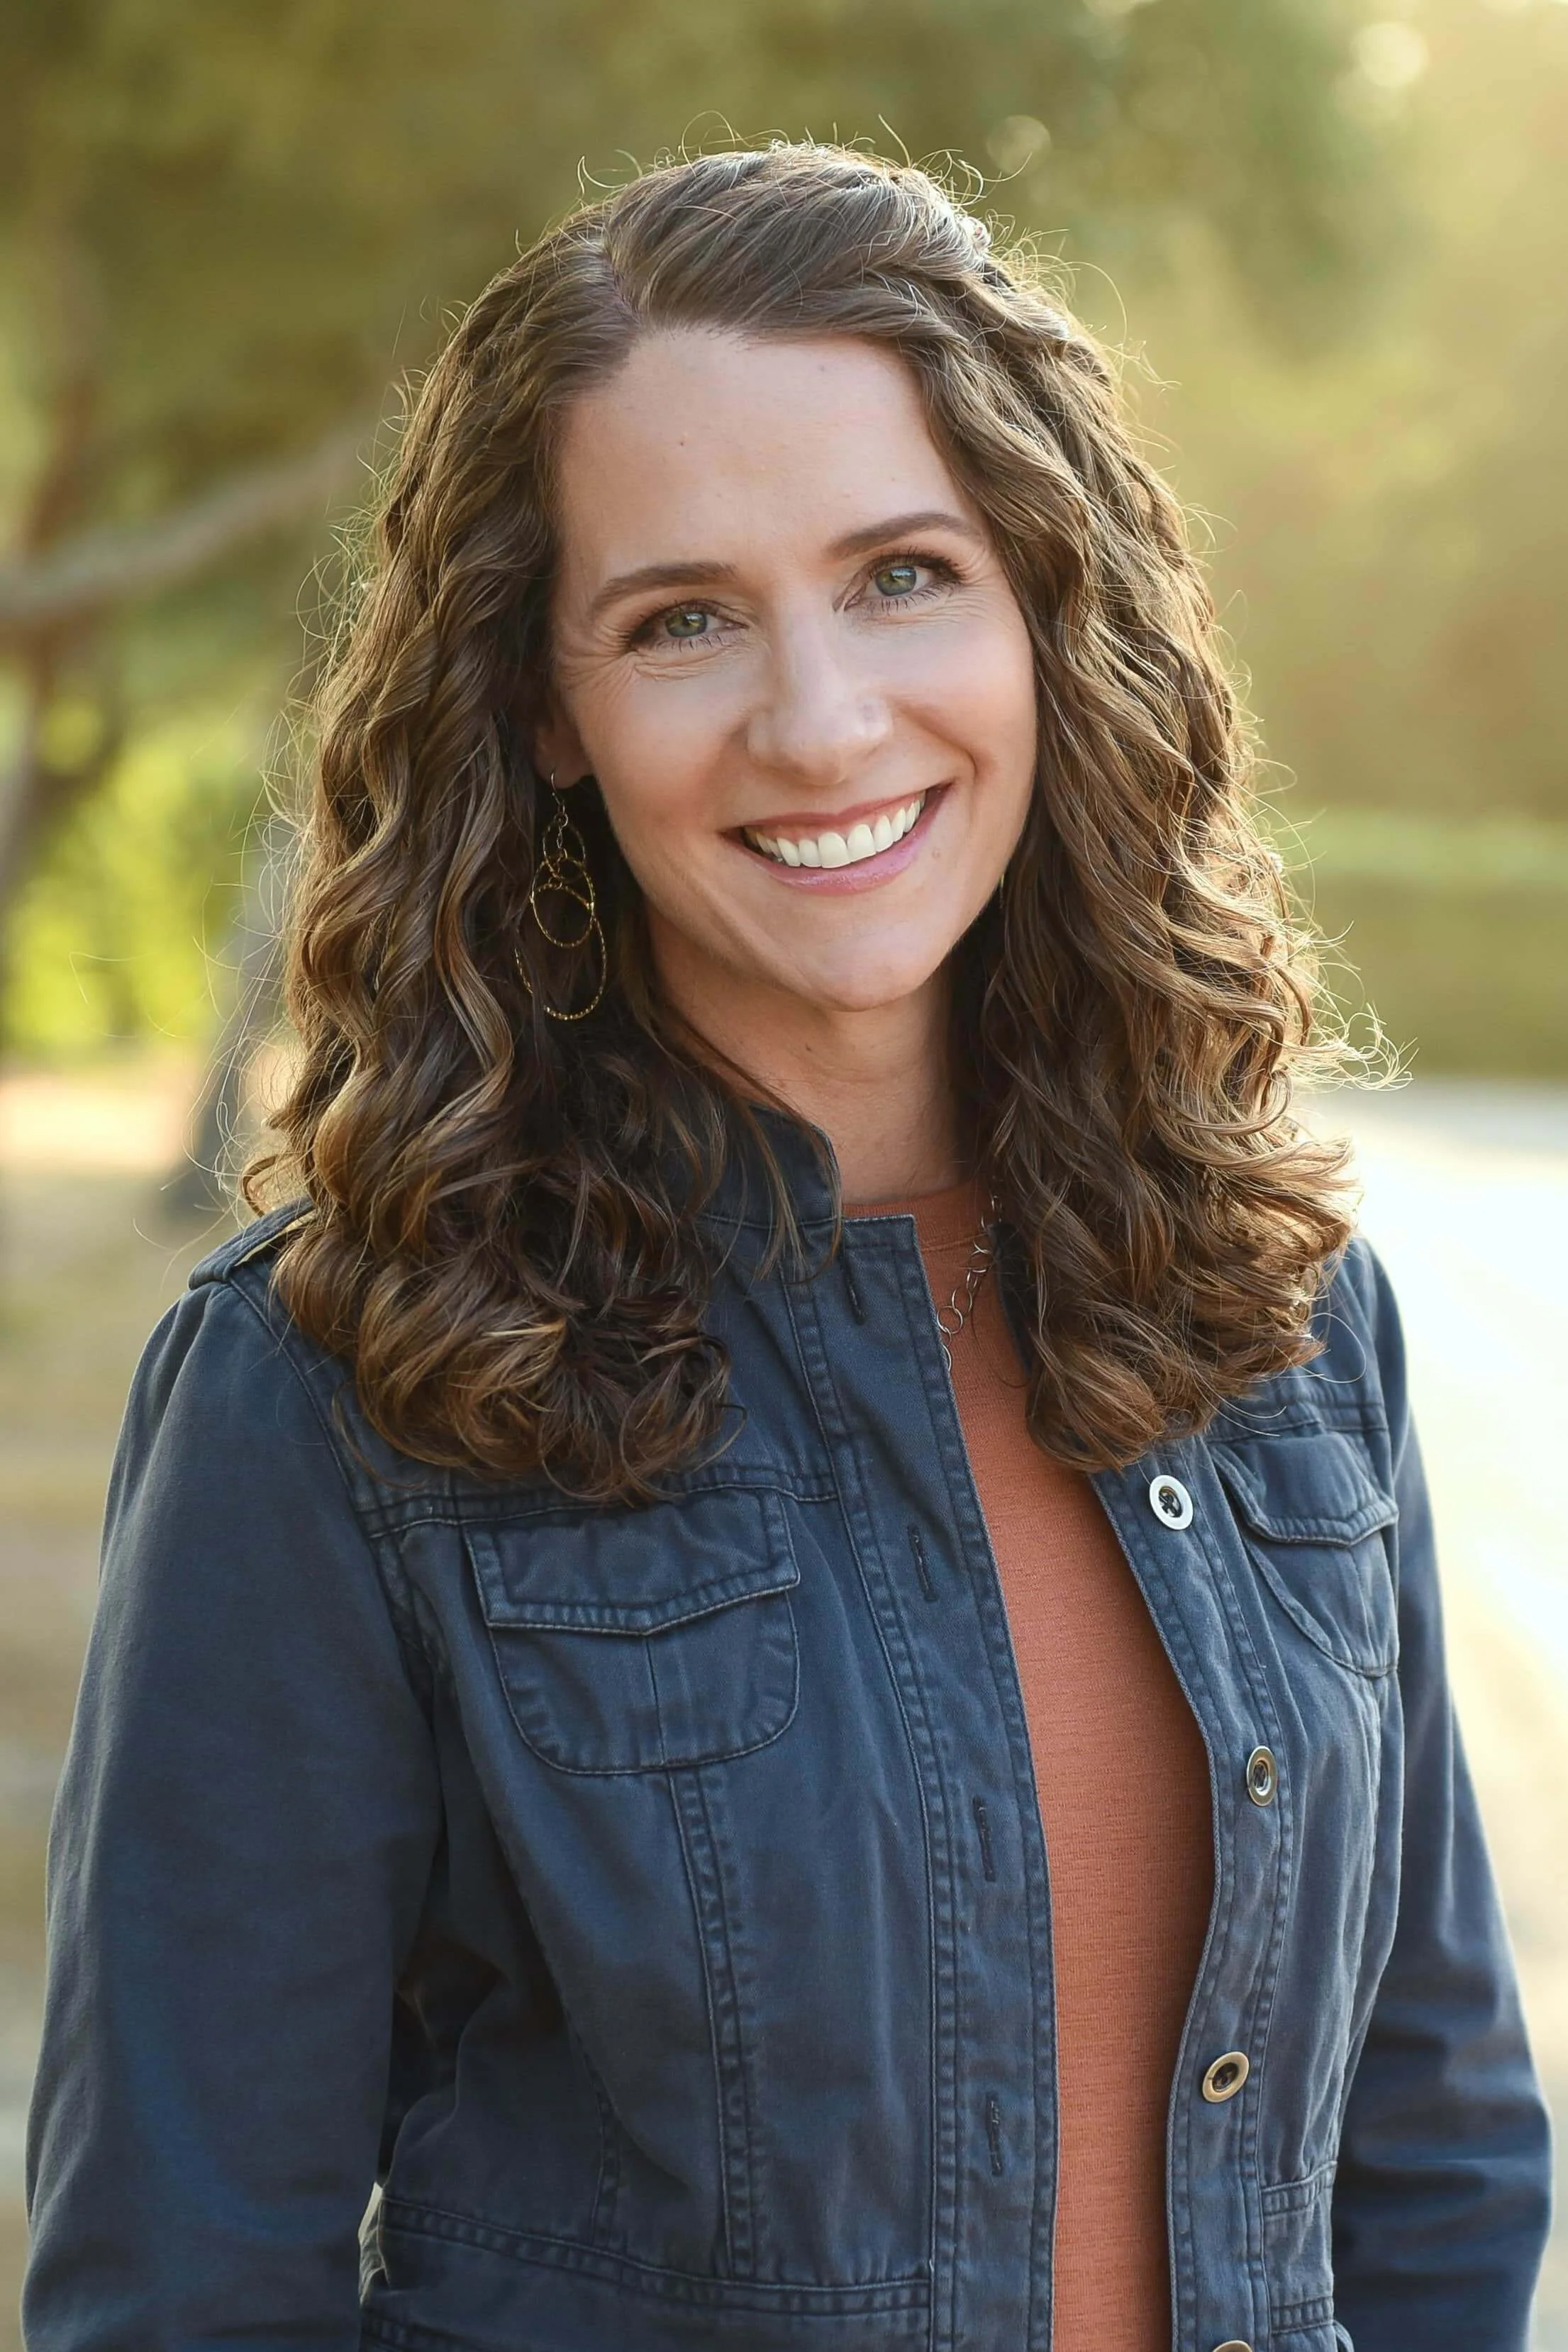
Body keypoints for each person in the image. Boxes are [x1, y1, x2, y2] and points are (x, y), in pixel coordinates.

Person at [23, 145, 1550, 2352]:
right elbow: (182, 2288)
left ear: (1043, 603)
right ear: (546, 706)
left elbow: (1430, 2151)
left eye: (903, 574)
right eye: (683, 618)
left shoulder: (1287, 1322)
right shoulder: (335, 1395)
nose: (821, 720)